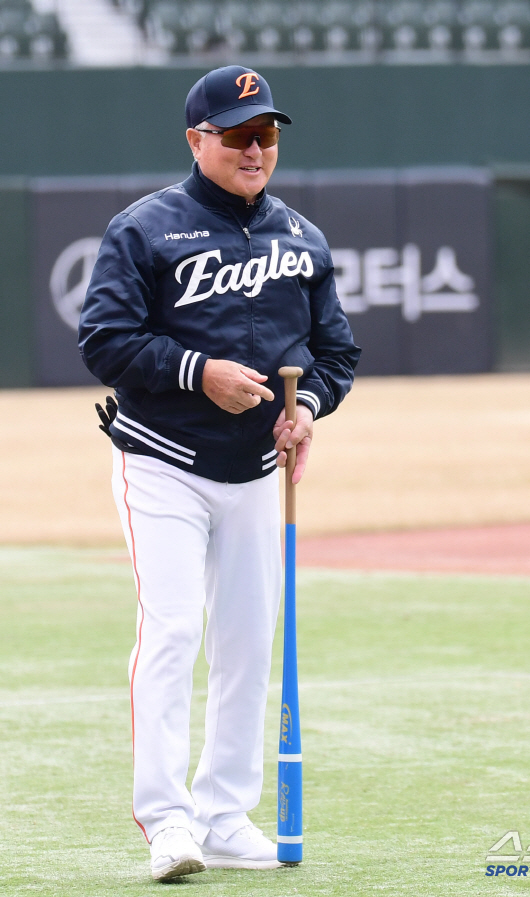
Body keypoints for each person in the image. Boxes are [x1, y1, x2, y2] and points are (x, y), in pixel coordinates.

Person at [78, 65, 360, 882]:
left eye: (266, 133)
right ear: (197, 139)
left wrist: (310, 410)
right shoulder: (144, 229)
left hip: (257, 471)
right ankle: (168, 821)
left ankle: (225, 811)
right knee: (170, 633)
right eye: (238, 133)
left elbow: (336, 353)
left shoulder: (301, 238)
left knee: (247, 642)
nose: (255, 148)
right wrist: (197, 369)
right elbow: (103, 340)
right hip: (161, 459)